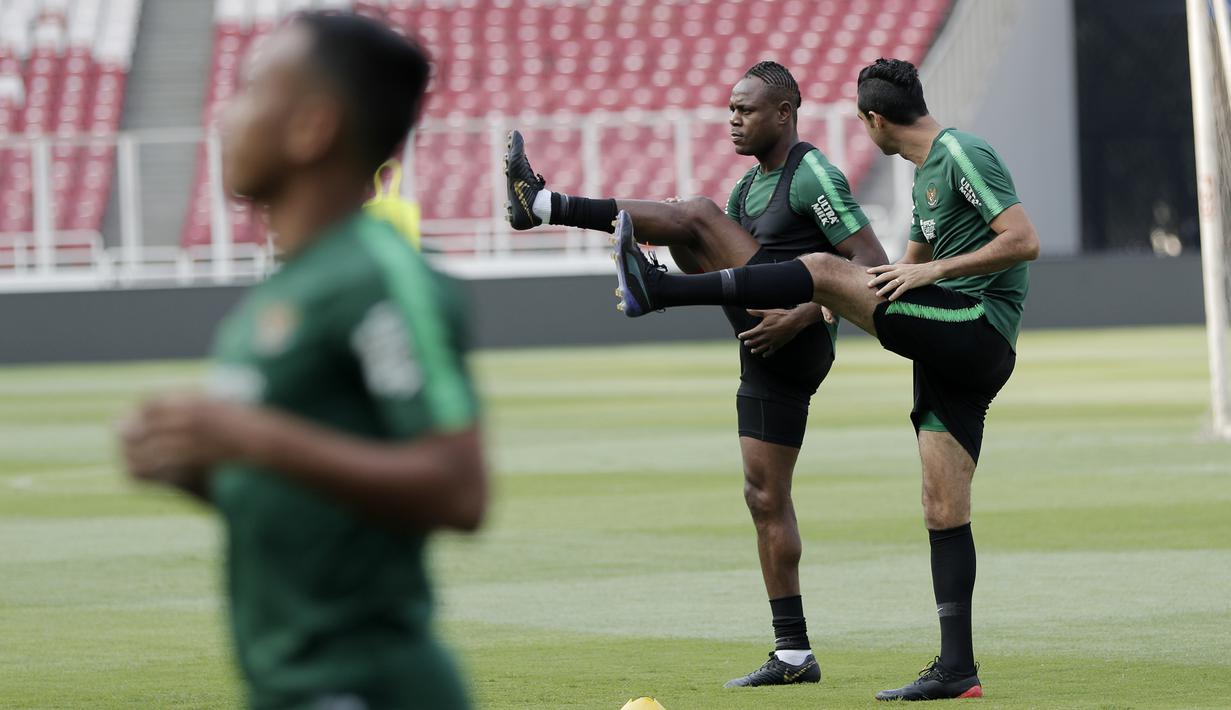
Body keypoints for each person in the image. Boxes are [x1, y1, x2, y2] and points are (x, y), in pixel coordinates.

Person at [610, 58, 1039, 702]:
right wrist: (891, 282)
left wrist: (918, 276)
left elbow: (1023, 238)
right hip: (945, 346)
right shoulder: (926, 177)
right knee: (942, 505)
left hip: (977, 325)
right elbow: (892, 272)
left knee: (816, 266)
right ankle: (958, 670)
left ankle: (664, 288)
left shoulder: (962, 152)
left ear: (874, 120)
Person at [119, 13, 485, 710]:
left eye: (250, 90)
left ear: (311, 127)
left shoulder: (380, 275)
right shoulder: (288, 286)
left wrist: (249, 439)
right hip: (288, 687)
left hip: (367, 687)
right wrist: (199, 466)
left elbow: (459, 488)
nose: (224, 115)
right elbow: (300, 490)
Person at [505, 61, 888, 688]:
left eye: (746, 108)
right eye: (730, 108)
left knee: (695, 213)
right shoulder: (747, 191)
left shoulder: (810, 171)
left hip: (797, 335)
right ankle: (793, 655)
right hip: (763, 351)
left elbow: (869, 265)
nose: (732, 119)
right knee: (764, 498)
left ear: (786, 113)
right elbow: (714, 262)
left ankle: (545, 205)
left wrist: (800, 316)